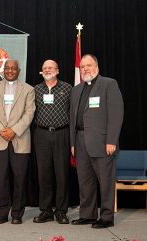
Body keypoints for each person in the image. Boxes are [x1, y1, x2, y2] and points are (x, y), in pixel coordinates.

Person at [70, 54, 124, 228]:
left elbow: (116, 115)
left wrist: (112, 141)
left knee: (106, 181)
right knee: (85, 182)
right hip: (80, 141)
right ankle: (88, 215)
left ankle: (107, 217)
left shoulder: (109, 84)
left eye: (89, 65)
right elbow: (73, 119)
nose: (86, 69)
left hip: (102, 142)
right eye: (83, 66)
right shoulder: (77, 89)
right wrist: (72, 143)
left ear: (97, 66)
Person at [0, 59, 35, 224]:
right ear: (3, 70)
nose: (10, 71)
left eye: (14, 68)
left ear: (19, 71)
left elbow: (29, 113)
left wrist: (14, 130)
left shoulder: (28, 89)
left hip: (20, 139)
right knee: (1, 179)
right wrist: (1, 130)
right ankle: (1, 213)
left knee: (20, 179)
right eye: (7, 68)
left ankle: (17, 214)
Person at [33, 60, 71, 224]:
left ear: (57, 70)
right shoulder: (36, 89)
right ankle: (46, 210)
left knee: (62, 174)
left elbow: (73, 111)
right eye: (45, 68)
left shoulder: (67, 88)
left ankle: (61, 211)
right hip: (41, 134)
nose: (48, 70)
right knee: (44, 174)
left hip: (62, 133)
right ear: (41, 71)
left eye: (51, 68)